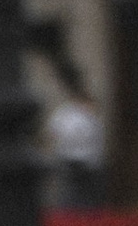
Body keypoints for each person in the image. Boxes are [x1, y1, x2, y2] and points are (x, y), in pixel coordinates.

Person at [41, 74, 106, 213]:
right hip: (79, 159)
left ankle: (75, 213)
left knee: (77, 192)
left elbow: (52, 134)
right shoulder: (80, 115)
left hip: (77, 159)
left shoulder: (65, 114)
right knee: (77, 192)